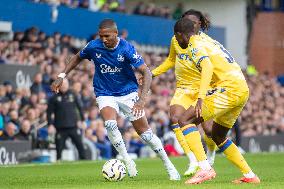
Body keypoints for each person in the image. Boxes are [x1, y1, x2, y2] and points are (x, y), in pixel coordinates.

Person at [50, 19, 180, 180]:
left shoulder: (126, 48)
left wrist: (141, 99)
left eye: (107, 36)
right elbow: (77, 57)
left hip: (128, 93)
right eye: (101, 36)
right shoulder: (93, 46)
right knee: (110, 124)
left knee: (146, 135)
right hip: (105, 92)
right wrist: (61, 76)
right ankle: (126, 159)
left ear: (116, 34)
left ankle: (169, 164)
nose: (103, 39)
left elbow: (146, 72)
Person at [173, 18, 260, 184]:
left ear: (179, 35)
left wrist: (200, 97)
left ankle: (204, 169)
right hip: (241, 88)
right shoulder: (208, 40)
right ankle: (250, 176)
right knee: (218, 135)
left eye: (176, 39)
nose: (177, 42)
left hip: (228, 89)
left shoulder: (193, 45)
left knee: (185, 119)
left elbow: (207, 67)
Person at [151, 9, 217, 176]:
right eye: (186, 22)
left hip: (203, 88)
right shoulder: (176, 39)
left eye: (193, 23)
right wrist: (153, 73)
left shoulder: (205, 42)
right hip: (183, 89)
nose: (189, 26)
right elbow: (171, 60)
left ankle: (211, 152)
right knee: (175, 117)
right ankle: (193, 161)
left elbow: (212, 67)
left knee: (209, 130)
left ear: (199, 24)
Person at [47, 79, 86, 160]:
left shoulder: (73, 95)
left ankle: (84, 161)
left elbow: (80, 108)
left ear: (68, 85)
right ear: (59, 85)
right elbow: (49, 113)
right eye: (62, 84)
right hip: (60, 128)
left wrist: (82, 120)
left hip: (73, 126)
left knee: (80, 146)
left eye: (65, 84)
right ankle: (58, 162)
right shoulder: (54, 98)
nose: (64, 86)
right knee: (59, 149)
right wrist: (50, 124)